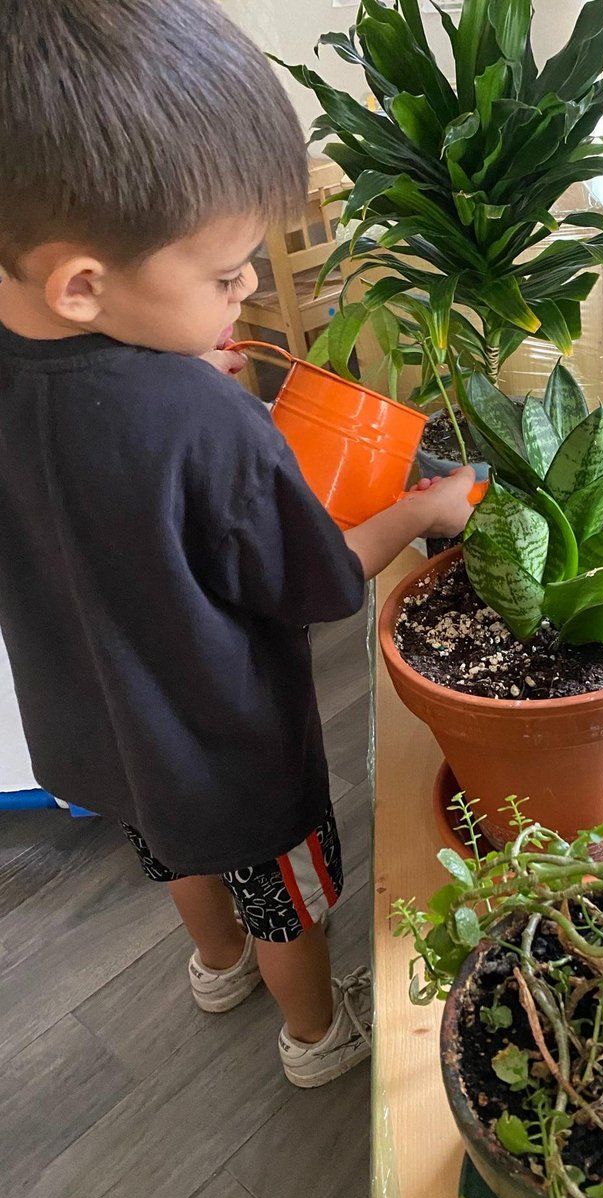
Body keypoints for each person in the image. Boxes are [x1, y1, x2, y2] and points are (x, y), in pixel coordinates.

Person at [0, 0, 474, 1087]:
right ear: (85, 286)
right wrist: (420, 512)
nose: (248, 290)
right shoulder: (211, 427)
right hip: (234, 752)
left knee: (175, 851)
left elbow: (92, 441)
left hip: (106, 730)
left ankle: (213, 967)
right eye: (223, 278)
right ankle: (314, 1034)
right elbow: (317, 584)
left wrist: (162, 356)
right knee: (285, 896)